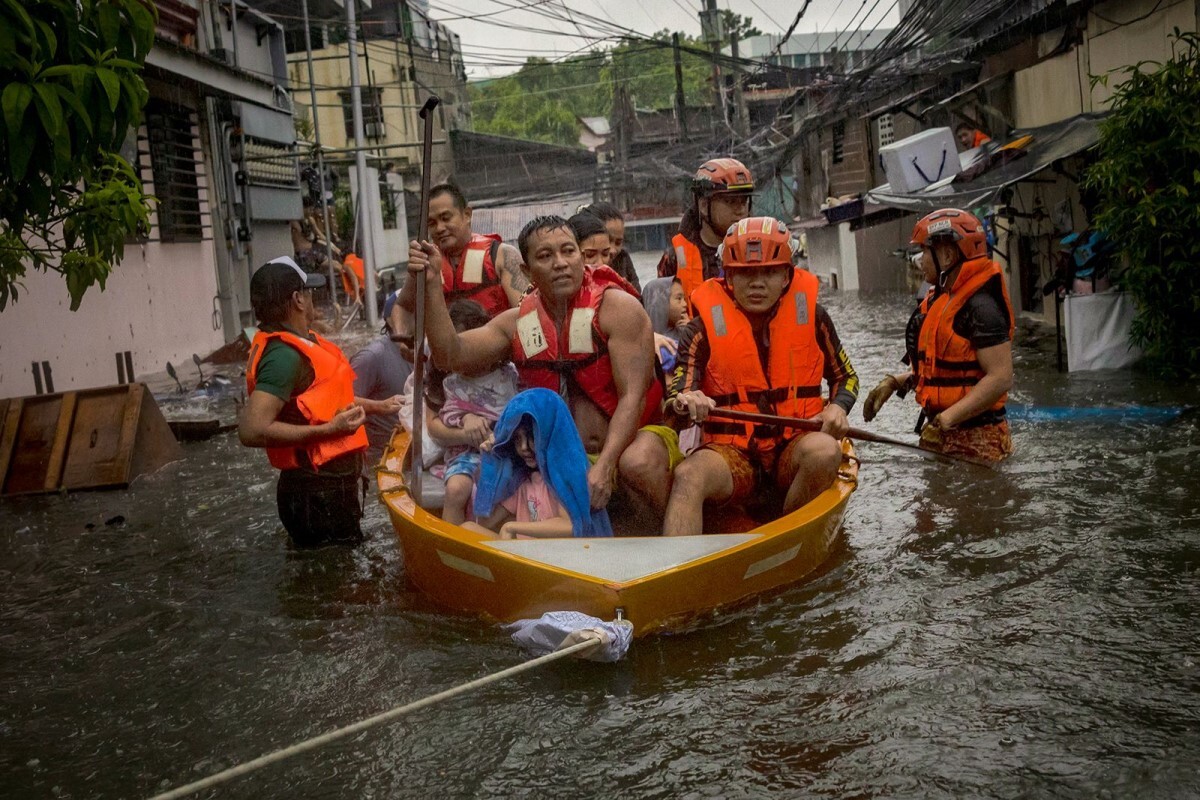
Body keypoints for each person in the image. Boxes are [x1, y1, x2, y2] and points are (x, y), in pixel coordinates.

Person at [408, 215, 674, 521]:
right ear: (527, 271)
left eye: (569, 251)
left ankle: (670, 539)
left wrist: (605, 464)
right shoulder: (516, 323)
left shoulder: (620, 309)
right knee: (492, 510)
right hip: (559, 455)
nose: (560, 263)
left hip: (634, 441)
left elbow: (633, 398)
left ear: (580, 257)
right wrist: (430, 283)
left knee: (637, 461)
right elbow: (450, 355)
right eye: (546, 256)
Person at [661, 217, 859, 537]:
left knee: (826, 451)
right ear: (729, 277)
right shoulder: (699, 330)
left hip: (793, 451)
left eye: (769, 272)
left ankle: (788, 536)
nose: (757, 283)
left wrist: (838, 407)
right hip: (735, 457)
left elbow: (846, 377)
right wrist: (688, 400)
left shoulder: (815, 318)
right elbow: (679, 393)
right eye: (746, 273)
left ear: (786, 276)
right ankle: (673, 573)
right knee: (689, 475)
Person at [238, 257, 397, 546]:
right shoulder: (283, 356)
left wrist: (379, 405)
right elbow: (251, 430)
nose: (312, 299)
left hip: (327, 489)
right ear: (298, 299)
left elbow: (321, 400)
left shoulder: (303, 343)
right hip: (316, 493)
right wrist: (327, 431)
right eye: (308, 292)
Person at [861, 208, 1015, 462]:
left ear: (947, 254)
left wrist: (946, 419)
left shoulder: (981, 307)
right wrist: (894, 382)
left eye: (924, 251)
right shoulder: (939, 300)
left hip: (980, 439)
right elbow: (939, 372)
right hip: (941, 432)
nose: (920, 260)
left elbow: (1000, 377)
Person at [425, 300, 520, 524]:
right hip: (466, 453)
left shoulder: (510, 375)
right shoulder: (451, 382)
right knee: (457, 489)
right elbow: (446, 415)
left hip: (504, 449)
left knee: (514, 485)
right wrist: (466, 419)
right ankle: (451, 544)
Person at [395, 183, 527, 322]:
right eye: (432, 223)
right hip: (446, 343)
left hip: (498, 341)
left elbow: (527, 315)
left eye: (446, 218)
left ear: (467, 214)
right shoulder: (424, 262)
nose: (439, 228)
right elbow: (402, 308)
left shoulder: (502, 255)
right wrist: (404, 339)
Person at [656, 157, 754, 312]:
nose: (740, 209)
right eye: (730, 201)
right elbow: (661, 315)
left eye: (743, 201)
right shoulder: (674, 257)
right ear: (703, 205)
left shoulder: (762, 249)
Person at [349, 311, 411, 474]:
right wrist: (379, 406)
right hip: (380, 462)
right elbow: (342, 402)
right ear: (391, 320)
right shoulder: (370, 357)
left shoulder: (426, 351)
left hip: (414, 456)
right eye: (410, 312)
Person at [581, 201, 641, 292]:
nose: (613, 250)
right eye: (608, 240)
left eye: (618, 243)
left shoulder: (623, 257)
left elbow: (636, 295)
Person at [641, 276, 688, 372]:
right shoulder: (641, 343)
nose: (685, 304)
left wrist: (692, 331)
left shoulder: (686, 331)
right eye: (679, 299)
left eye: (684, 299)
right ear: (661, 303)